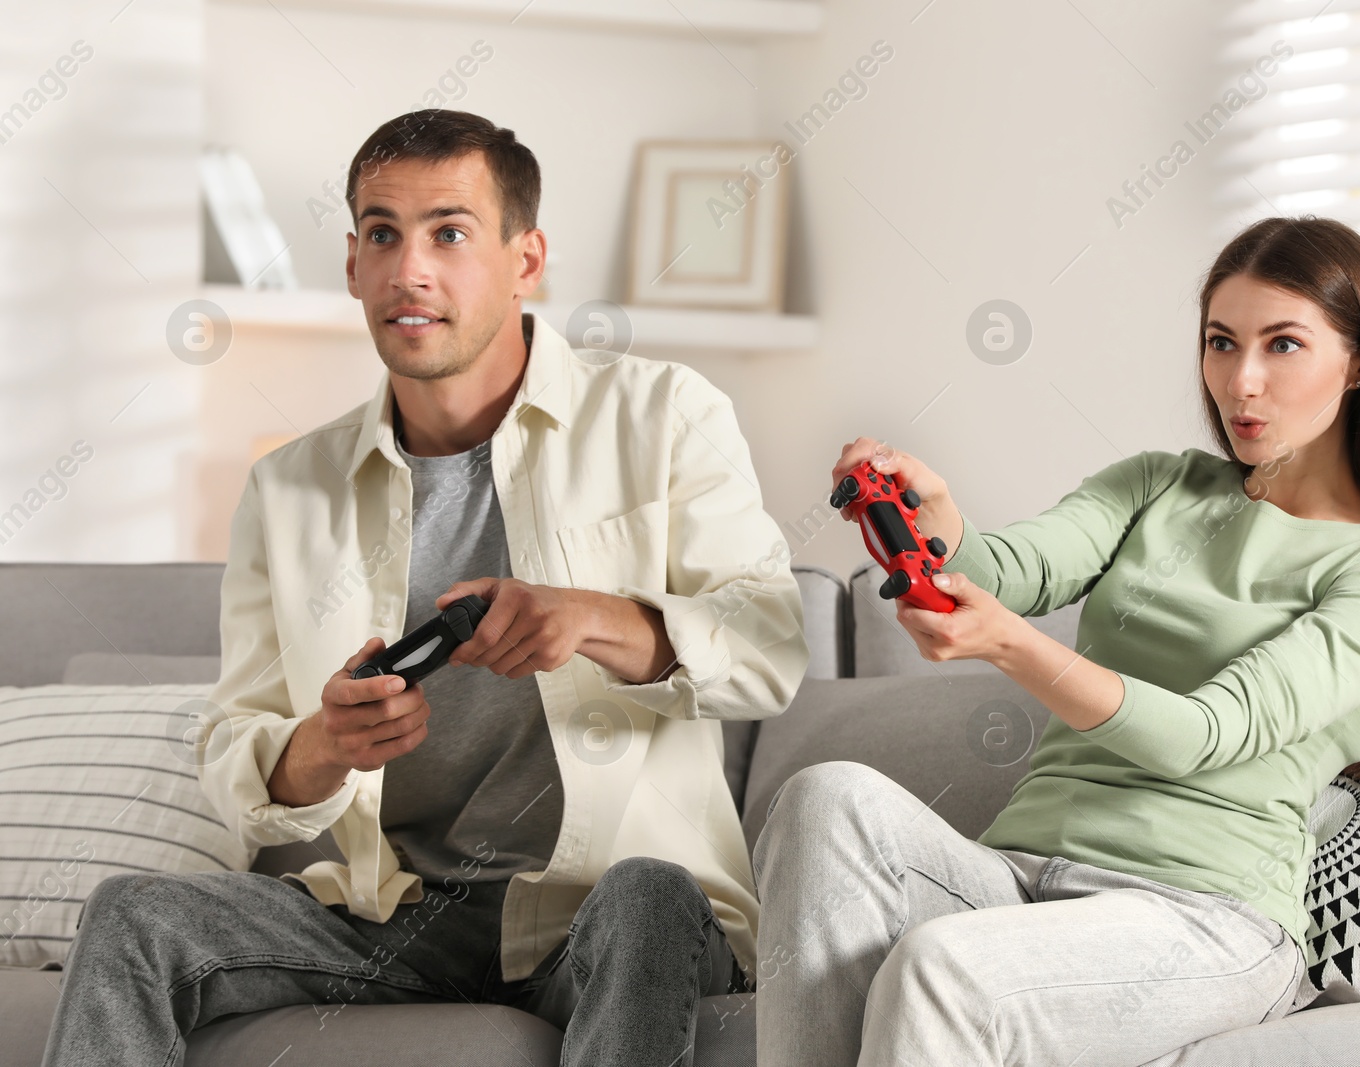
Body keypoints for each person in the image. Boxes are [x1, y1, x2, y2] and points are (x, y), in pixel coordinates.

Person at [42, 108, 808, 1067]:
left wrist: (597, 620)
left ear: (525, 261)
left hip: (603, 909)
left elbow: (771, 647)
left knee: (650, 892)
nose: (410, 269)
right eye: (381, 234)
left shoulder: (665, 415)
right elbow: (241, 757)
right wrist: (324, 746)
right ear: (354, 266)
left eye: (449, 232)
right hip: (394, 917)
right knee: (136, 913)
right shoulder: (289, 489)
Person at [753, 215, 1360, 1066]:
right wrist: (932, 513)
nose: (1243, 382)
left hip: (1204, 915)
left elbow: (1208, 734)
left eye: (1283, 345)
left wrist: (1012, 647)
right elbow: (1013, 571)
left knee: (943, 968)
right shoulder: (1161, 485)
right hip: (1017, 878)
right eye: (1222, 343)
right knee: (825, 797)